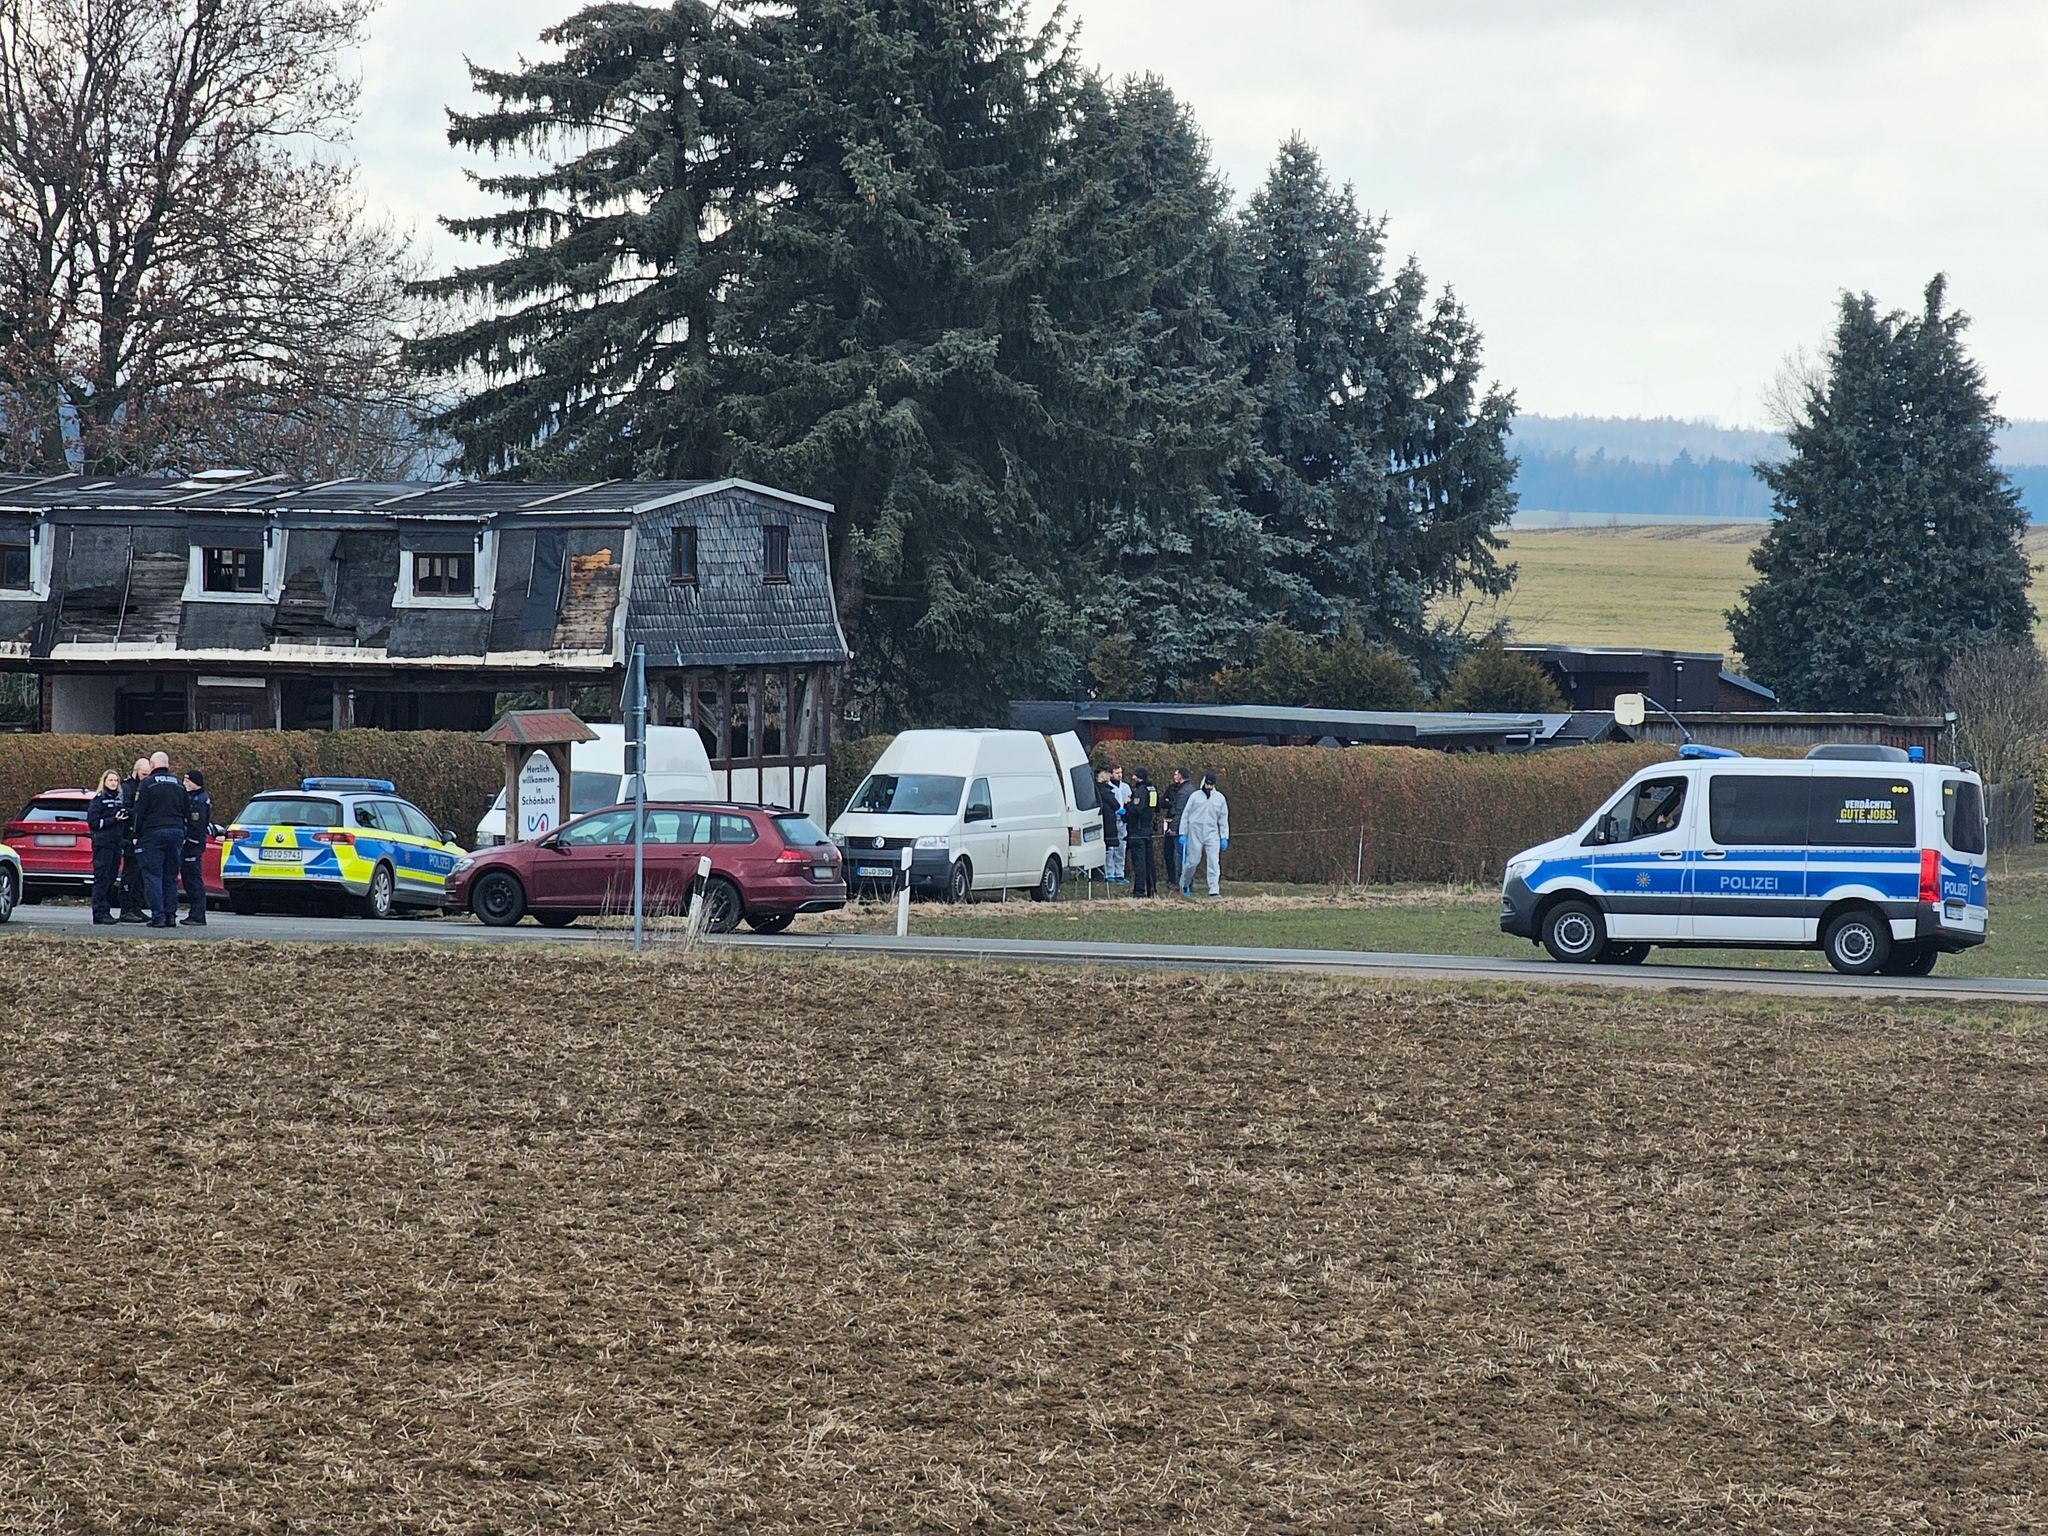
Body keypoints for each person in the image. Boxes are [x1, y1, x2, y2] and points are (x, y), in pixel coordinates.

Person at [132, 752, 190, 929]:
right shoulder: (179, 785)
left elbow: (139, 811)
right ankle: (171, 916)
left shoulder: (147, 784)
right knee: (170, 877)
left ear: (151, 765)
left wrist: (135, 834)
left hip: (153, 834)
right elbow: (187, 810)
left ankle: (158, 917)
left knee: (153, 876)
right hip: (176, 833)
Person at [1179, 771, 1231, 899]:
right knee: (1193, 861)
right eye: (1207, 784)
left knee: (1214, 861)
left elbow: (1223, 819)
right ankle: (1184, 884)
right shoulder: (1195, 796)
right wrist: (1183, 833)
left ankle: (1214, 889)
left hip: (1212, 832)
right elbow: (1185, 815)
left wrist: (1224, 836)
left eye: (1211, 785)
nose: (1209, 787)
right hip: (1194, 832)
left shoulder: (1219, 798)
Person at [86, 768, 127, 925]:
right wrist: (113, 820)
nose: (113, 783)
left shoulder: (119, 800)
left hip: (116, 845)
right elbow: (94, 823)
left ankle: (106, 911)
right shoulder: (99, 799)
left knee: (111, 879)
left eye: (116, 781)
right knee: (102, 879)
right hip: (103, 845)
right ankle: (99, 913)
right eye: (110, 780)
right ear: (104, 782)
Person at [117, 756, 152, 922]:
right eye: (144, 774)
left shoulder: (147, 787)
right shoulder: (127, 788)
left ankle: (137, 907)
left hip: (143, 836)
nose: (146, 777)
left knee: (139, 875)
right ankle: (126, 909)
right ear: (136, 771)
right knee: (130, 874)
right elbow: (125, 810)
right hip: (129, 836)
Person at [178, 768, 213, 925]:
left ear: (196, 783)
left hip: (193, 845)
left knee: (193, 879)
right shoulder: (192, 797)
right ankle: (195, 913)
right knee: (189, 878)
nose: (185, 783)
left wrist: (190, 841)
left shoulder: (198, 801)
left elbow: (197, 825)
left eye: (188, 780)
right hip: (192, 844)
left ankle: (198, 915)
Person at [1124, 767, 1160, 897]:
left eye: (1134, 776)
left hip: (1138, 831)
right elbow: (1156, 808)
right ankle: (1152, 889)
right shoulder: (1153, 790)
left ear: (1139, 777)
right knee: (1150, 862)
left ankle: (1139, 891)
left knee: (1139, 863)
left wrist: (1128, 804)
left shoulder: (1140, 791)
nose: (1132, 778)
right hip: (1148, 830)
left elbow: (1137, 810)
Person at [1161, 767, 1192, 890]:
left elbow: (1178, 811)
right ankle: (1184, 881)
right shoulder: (1189, 789)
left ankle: (1183, 883)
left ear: (1181, 776)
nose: (1174, 776)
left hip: (1179, 827)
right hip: (1184, 825)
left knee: (1181, 855)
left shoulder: (1183, 792)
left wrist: (1173, 828)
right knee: (1183, 855)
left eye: (1176, 774)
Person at [1094, 767, 1123, 884]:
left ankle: (1110, 873)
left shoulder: (1098, 789)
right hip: (1108, 822)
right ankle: (1108, 873)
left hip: (1105, 821)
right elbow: (1115, 804)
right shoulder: (1105, 791)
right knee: (1109, 849)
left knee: (1110, 849)